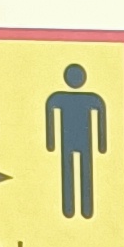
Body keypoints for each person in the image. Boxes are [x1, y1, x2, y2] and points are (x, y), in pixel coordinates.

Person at [45, 60, 108, 220]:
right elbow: (50, 119)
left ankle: (85, 209)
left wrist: (102, 145)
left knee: (82, 171)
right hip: (72, 141)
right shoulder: (60, 98)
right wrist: (50, 143)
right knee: (70, 172)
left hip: (80, 141)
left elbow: (100, 120)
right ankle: (71, 209)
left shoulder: (90, 99)